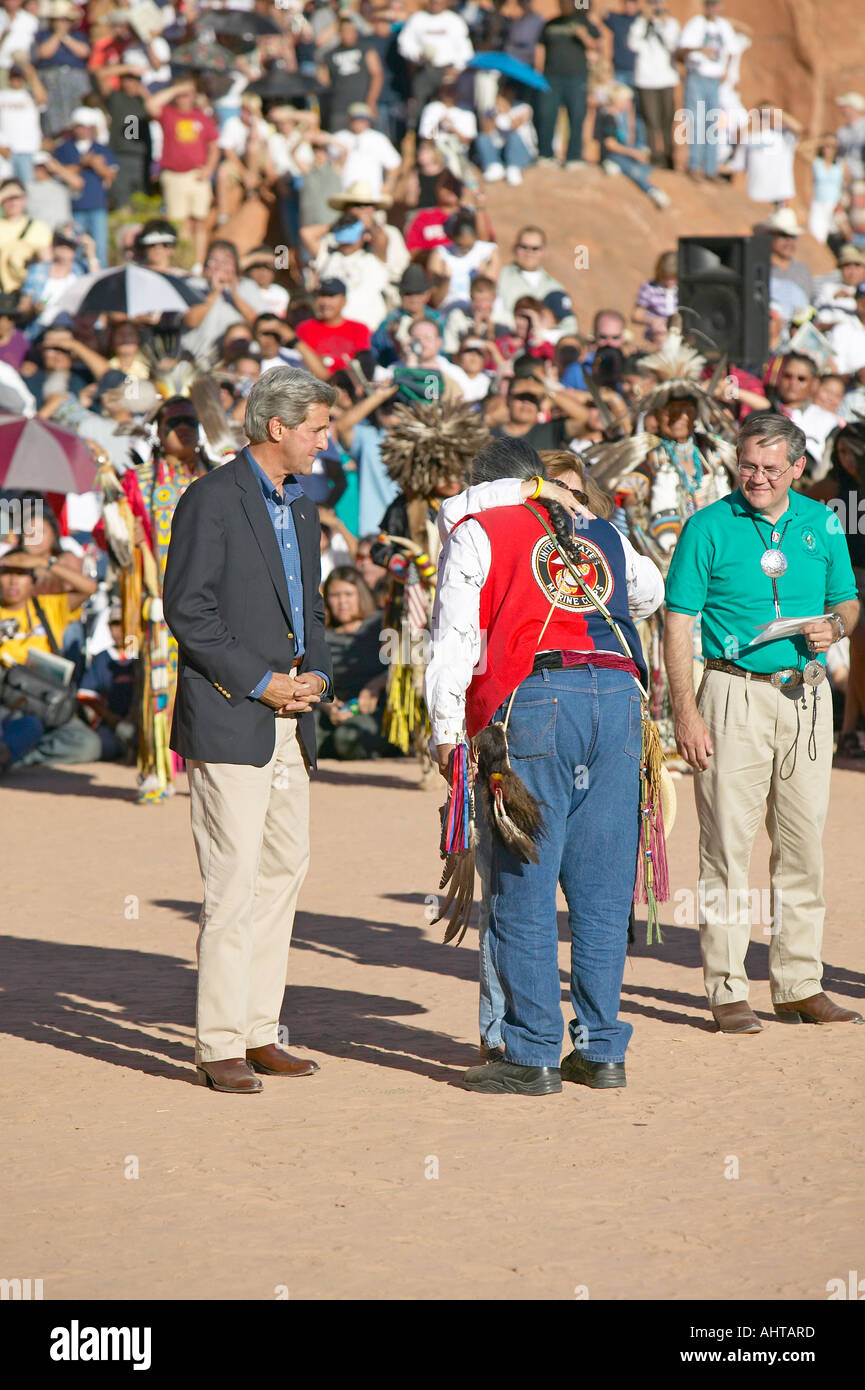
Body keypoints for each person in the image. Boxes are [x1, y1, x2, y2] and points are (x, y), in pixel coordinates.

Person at [425, 436, 664, 1094]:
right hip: (617, 698)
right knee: (601, 889)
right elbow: (648, 592)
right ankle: (600, 1049)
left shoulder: (479, 527)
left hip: (535, 700)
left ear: (487, 481)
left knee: (522, 887)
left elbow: (453, 637)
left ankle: (529, 1052)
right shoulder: (599, 530)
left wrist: (448, 732)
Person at [162, 366, 338, 1095]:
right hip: (235, 716)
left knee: (282, 875)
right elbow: (187, 611)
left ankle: (261, 1031)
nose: (325, 443)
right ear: (277, 428)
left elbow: (314, 611)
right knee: (231, 884)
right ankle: (219, 1043)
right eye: (317, 429)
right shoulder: (210, 499)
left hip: (291, 721)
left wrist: (318, 676)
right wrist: (263, 681)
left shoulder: (300, 506)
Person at [663, 410, 862, 1032]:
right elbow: (676, 621)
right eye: (748, 465)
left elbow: (848, 601)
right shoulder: (707, 526)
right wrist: (685, 711)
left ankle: (799, 983)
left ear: (798, 468)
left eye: (771, 469)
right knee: (726, 846)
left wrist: (838, 627)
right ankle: (726, 990)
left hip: (805, 695)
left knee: (803, 847)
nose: (757, 478)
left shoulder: (822, 521)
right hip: (731, 693)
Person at [95, 397, 212, 804]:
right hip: (158, 601)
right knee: (157, 687)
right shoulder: (139, 482)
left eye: (192, 422)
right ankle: (155, 769)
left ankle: (206, 772)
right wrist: (118, 515)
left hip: (211, 605)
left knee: (211, 689)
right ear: (158, 432)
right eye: (176, 422)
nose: (186, 429)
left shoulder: (216, 478)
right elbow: (113, 541)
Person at [0, 540, 101, 769]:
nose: (13, 580)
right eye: (6, 573)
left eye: (21, 573)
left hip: (45, 700)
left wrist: (44, 562)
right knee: (27, 726)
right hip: (7, 701)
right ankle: (15, 748)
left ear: (32, 580)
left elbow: (90, 588)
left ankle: (18, 753)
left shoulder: (47, 607)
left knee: (88, 745)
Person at [146, 80, 220, 274]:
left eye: (187, 94)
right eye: (180, 95)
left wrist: (209, 169)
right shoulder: (168, 114)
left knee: (200, 221)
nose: (183, 98)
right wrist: (177, 88)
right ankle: (186, 262)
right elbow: (151, 105)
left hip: (197, 175)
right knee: (180, 223)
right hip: (173, 175)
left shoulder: (202, 117)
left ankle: (200, 263)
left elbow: (214, 146)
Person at [317, 566, 387, 759]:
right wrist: (327, 703)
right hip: (334, 707)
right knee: (308, 736)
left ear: (361, 595)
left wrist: (376, 685)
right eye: (335, 595)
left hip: (376, 707)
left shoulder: (380, 623)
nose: (342, 602)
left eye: (348, 594)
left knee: (347, 738)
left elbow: (403, 666)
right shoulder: (321, 632)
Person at [534, 0, 600, 169]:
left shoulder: (583, 21)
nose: (565, 6)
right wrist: (538, 73)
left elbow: (597, 46)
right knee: (547, 115)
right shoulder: (550, 24)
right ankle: (545, 154)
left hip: (577, 78)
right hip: (551, 78)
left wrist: (584, 36)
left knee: (577, 116)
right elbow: (540, 49)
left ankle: (574, 157)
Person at [676, 0, 736, 182]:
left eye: (716, 5)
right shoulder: (696, 24)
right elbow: (682, 49)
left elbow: (733, 50)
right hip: (697, 76)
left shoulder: (724, 26)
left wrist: (727, 70)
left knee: (713, 123)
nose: (713, 8)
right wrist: (699, 49)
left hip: (714, 80)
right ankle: (694, 165)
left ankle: (710, 169)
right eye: (710, 5)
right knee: (696, 120)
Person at [52, 107, 117, 271]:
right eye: (79, 126)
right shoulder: (63, 148)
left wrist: (97, 165)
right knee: (76, 246)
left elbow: (111, 174)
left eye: (86, 126)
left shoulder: (101, 148)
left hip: (97, 204)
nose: (83, 130)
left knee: (99, 246)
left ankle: (101, 278)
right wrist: (83, 164)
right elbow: (59, 172)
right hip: (74, 206)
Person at [397, 0, 474, 121]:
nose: (437, 3)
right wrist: (418, 55)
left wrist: (457, 68)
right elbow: (404, 44)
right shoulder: (417, 18)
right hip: (424, 69)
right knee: (417, 105)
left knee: (444, 107)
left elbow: (465, 49)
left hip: (448, 71)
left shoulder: (454, 20)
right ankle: (413, 134)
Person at [597, 82, 670, 208]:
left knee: (646, 165)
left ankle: (618, 166)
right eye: (626, 101)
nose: (629, 104)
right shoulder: (609, 116)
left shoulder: (619, 116)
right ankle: (652, 191)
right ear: (617, 100)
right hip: (612, 155)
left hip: (621, 153)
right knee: (635, 170)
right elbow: (610, 144)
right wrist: (633, 153)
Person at [627, 0, 680, 170]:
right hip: (645, 80)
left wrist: (662, 23)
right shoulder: (640, 23)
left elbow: (674, 45)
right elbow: (632, 44)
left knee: (667, 119)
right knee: (650, 120)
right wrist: (644, 20)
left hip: (666, 79)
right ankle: (655, 156)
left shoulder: (671, 23)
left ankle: (668, 156)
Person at [295, 277, 372, 376]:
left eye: (331, 296)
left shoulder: (360, 329)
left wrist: (327, 361)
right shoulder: (304, 328)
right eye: (321, 295)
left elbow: (363, 366)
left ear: (344, 301)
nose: (325, 302)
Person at [0, 179, 51, 294]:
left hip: (28, 294)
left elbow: (47, 264)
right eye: (7, 198)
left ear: (25, 199)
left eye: (16, 197)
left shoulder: (38, 227)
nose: (12, 202)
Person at [632, 249, 677, 344]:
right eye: (665, 278)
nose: (669, 282)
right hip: (655, 338)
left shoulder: (682, 289)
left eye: (672, 278)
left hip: (677, 336)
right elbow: (636, 314)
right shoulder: (649, 288)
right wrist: (653, 321)